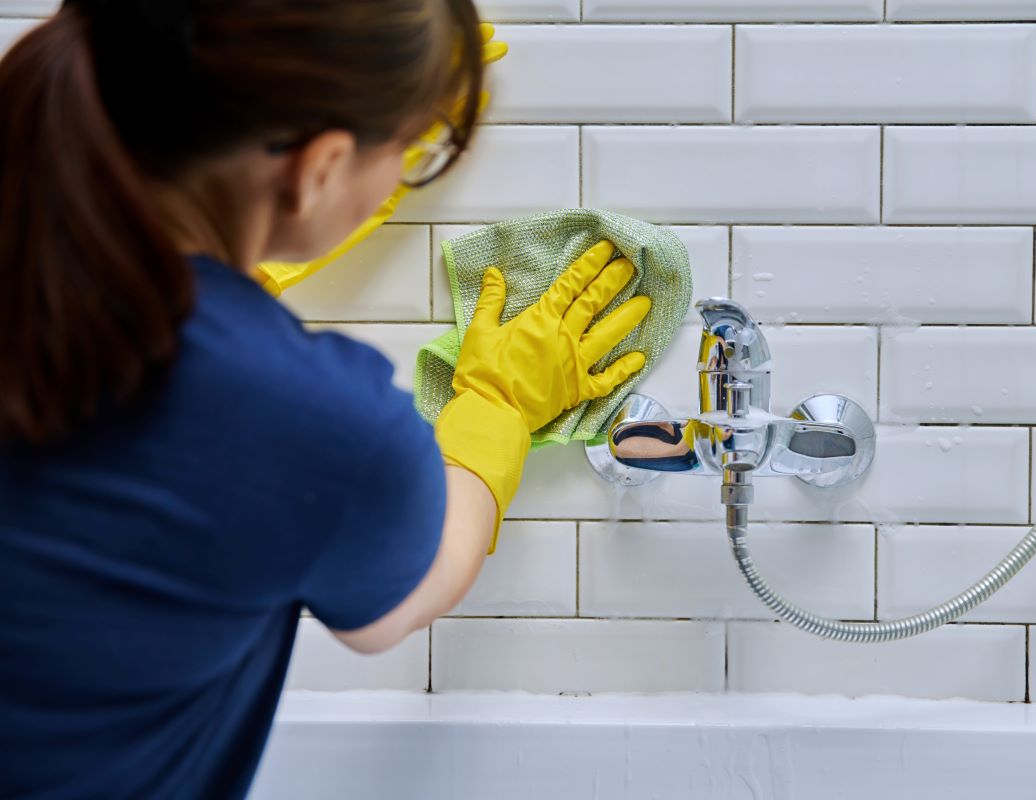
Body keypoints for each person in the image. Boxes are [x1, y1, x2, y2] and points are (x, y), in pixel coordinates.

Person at [0, 1, 649, 797]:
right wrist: (498, 399)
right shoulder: (305, 420)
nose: (405, 169)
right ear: (317, 170)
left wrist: (235, 272)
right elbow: (410, 592)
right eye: (410, 151)